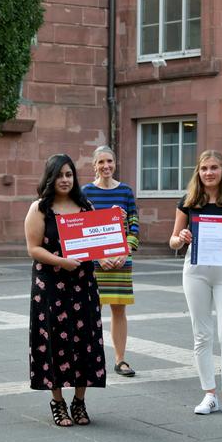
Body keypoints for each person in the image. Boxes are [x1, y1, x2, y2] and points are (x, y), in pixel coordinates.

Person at [170, 150, 222, 416]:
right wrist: (181, 237)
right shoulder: (189, 200)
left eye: (214, 168)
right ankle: (209, 394)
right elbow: (172, 240)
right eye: (204, 168)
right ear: (198, 171)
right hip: (195, 268)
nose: (209, 173)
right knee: (202, 334)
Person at [24, 154, 106, 427]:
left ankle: (79, 402)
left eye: (69, 175)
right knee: (54, 342)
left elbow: (99, 244)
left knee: (85, 340)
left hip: (83, 284)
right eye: (59, 175)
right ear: (50, 177)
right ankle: (57, 401)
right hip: (49, 286)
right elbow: (33, 249)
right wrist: (61, 262)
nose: (65, 180)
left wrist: (107, 256)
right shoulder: (39, 209)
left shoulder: (86, 206)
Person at [82, 146, 139, 377]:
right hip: (95, 263)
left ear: (115, 163)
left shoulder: (125, 191)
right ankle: (89, 358)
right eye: (101, 162)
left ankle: (120, 360)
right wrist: (97, 256)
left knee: (119, 310)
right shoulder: (86, 192)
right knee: (91, 310)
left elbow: (134, 224)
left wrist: (126, 252)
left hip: (120, 260)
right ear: (94, 165)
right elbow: (81, 229)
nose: (106, 166)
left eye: (110, 161)